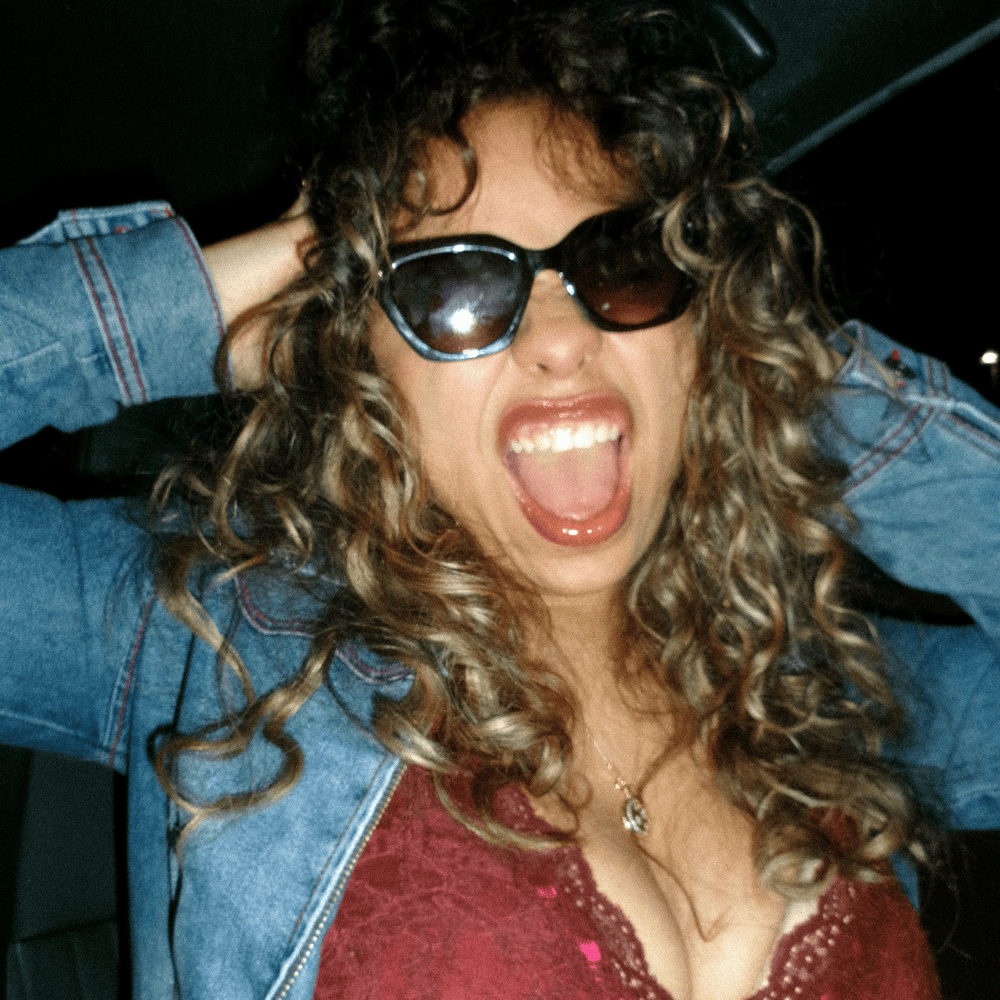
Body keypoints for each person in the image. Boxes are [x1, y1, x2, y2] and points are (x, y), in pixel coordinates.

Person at [1, 1, 998, 998]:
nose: (559, 338)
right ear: (363, 366)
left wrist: (773, 367)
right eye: (455, 288)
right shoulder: (215, 642)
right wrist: (210, 299)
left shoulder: (825, 690)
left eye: (622, 262)